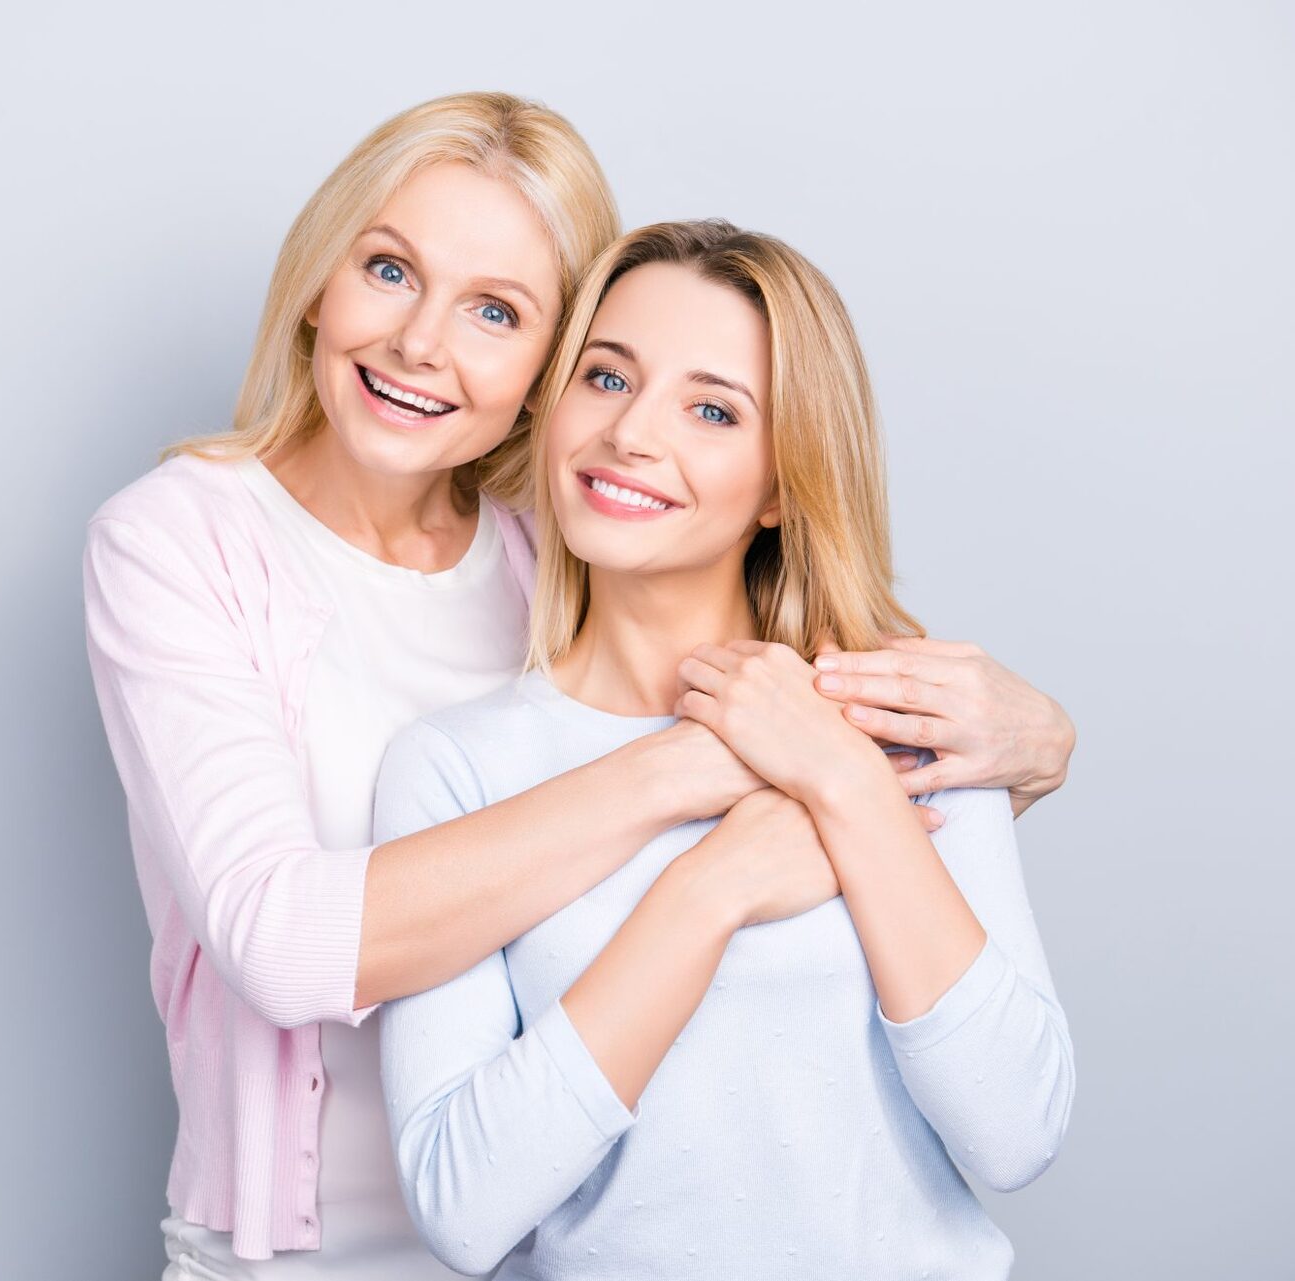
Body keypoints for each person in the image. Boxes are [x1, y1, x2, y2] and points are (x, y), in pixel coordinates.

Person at [82, 95, 1077, 1279]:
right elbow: (291, 950)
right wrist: (704, 793)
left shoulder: (554, 560)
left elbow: (1009, 1109)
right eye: (389, 269)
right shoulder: (188, 548)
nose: (420, 344)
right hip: (321, 1250)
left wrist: (1031, 740)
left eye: (494, 311)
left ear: (533, 372)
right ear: (317, 275)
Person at [373, 221, 1075, 1279]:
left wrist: (845, 783)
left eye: (711, 409)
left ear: (785, 484)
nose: (632, 436)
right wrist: (710, 891)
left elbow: (1017, 1131)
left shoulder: (904, 717)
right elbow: (465, 1210)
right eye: (607, 378)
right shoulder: (455, 767)